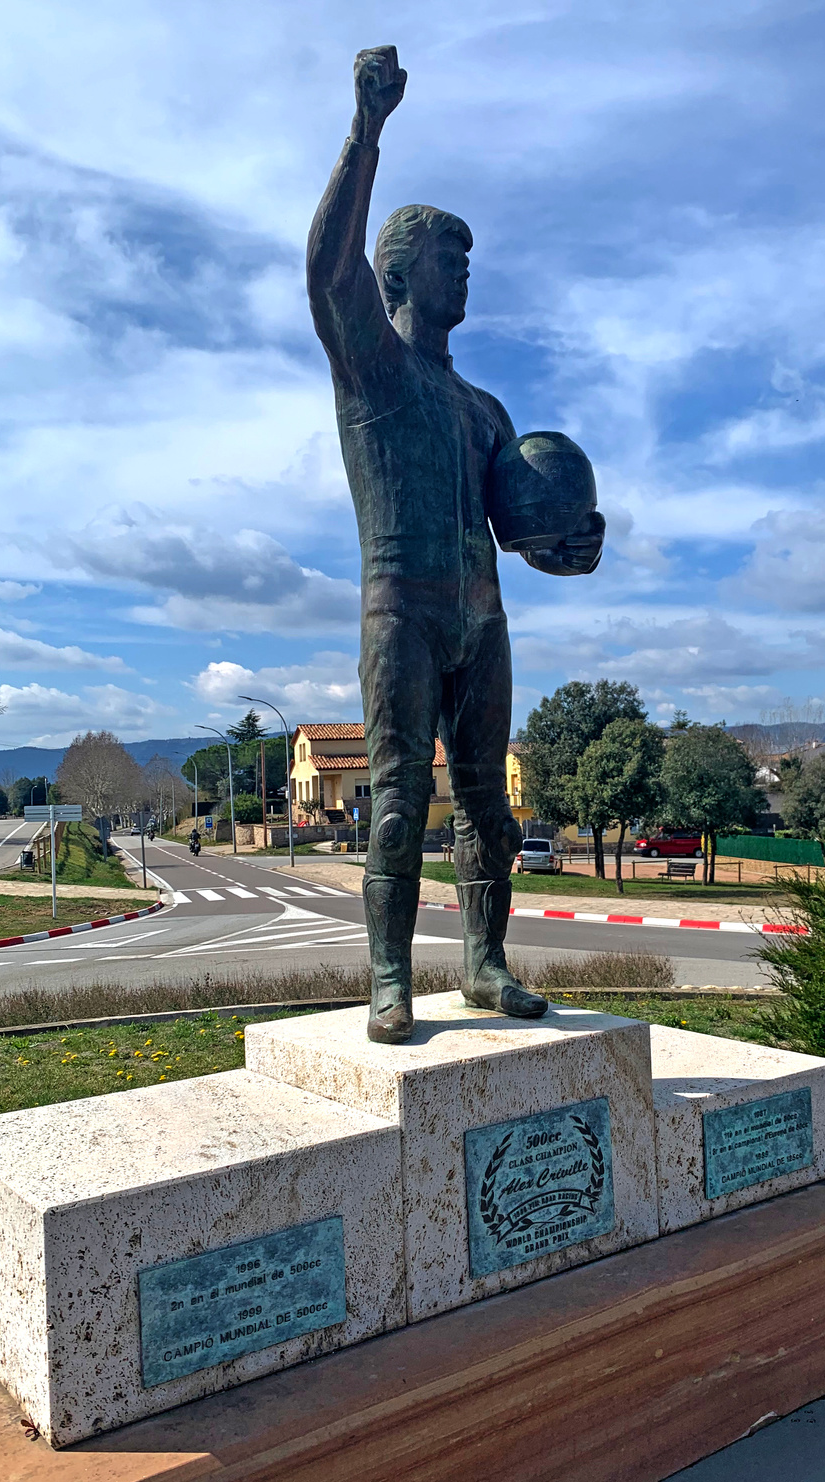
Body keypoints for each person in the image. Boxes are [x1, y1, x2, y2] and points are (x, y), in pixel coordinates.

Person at [308, 45, 603, 1044]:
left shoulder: (483, 408)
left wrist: (573, 544)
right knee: (398, 803)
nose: (465, 268)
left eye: (468, 257)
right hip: (405, 610)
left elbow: (519, 535)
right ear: (398, 272)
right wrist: (367, 130)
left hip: (483, 618)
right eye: (449, 255)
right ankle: (390, 977)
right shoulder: (373, 370)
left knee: (492, 812)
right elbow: (326, 268)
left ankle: (484, 964)